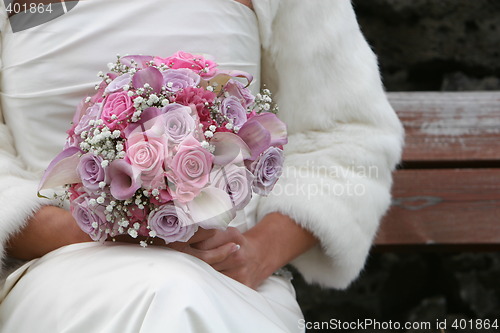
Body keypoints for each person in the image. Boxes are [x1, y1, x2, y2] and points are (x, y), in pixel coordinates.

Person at [0, 0, 404, 332]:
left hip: (229, 277)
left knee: (186, 303)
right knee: (170, 299)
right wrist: (86, 230)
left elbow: (346, 138)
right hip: (58, 271)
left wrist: (257, 253)